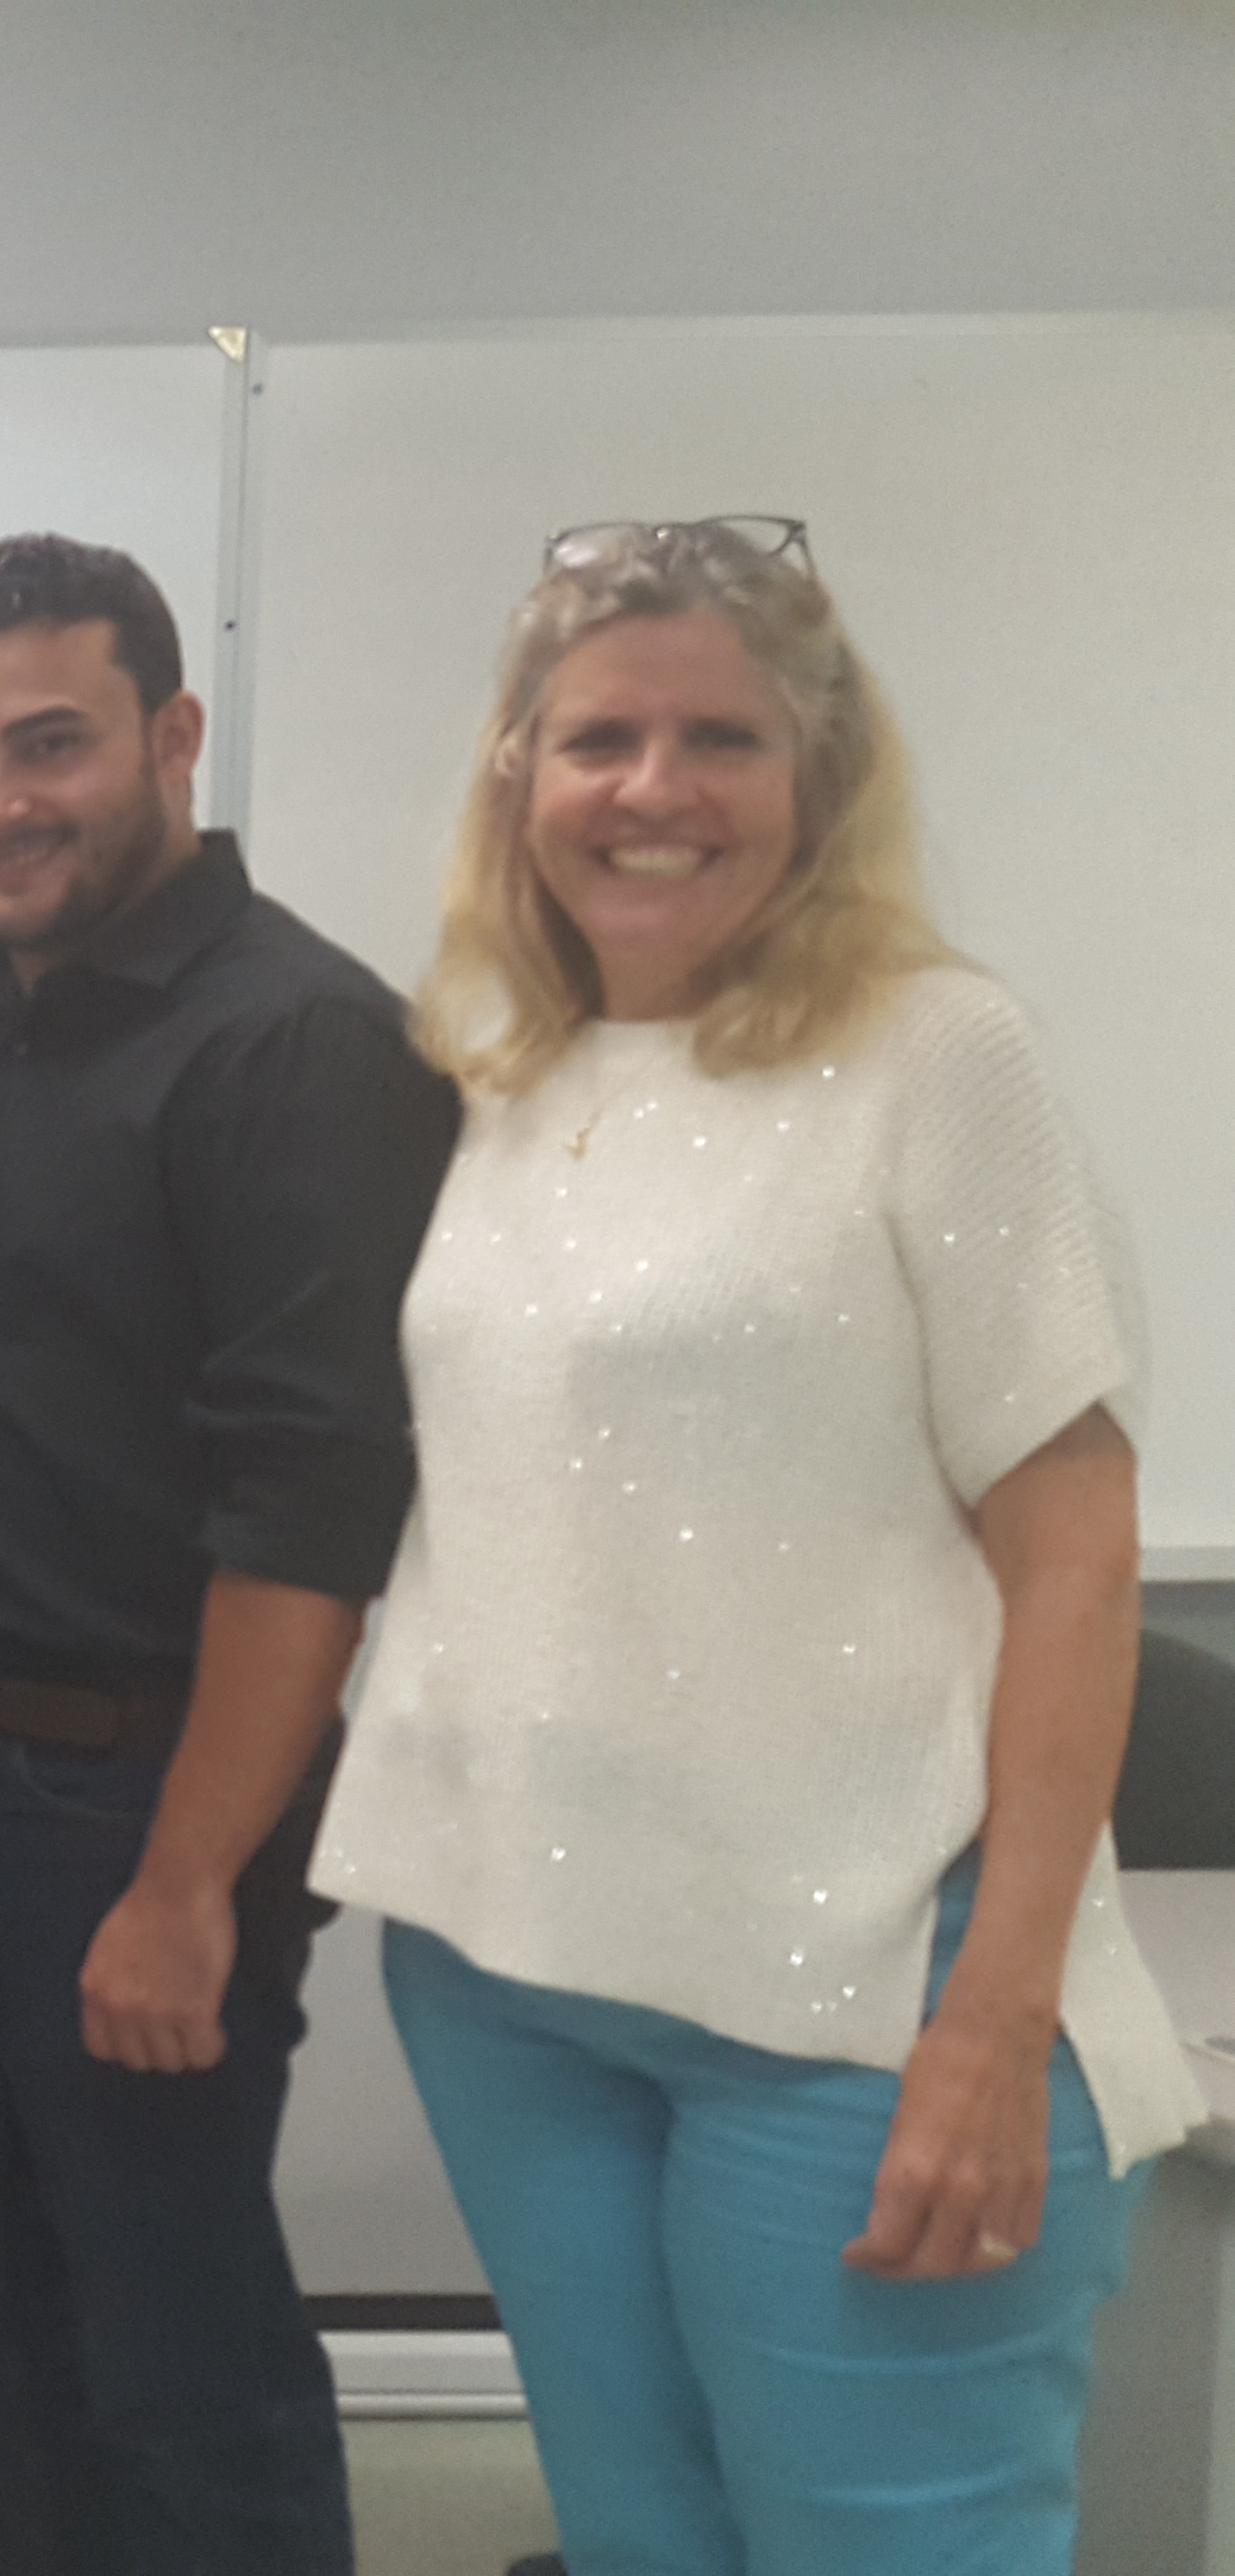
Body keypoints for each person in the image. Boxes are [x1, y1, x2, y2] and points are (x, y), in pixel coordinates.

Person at [310, 516, 1201, 2575]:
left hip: (862, 1988)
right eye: (597, 739)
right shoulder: (497, 1073)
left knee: (892, 2543)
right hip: (511, 1970)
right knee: (642, 2538)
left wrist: (989, 2033)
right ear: (517, 778)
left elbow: (1072, 1561)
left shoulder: (933, 1057)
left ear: (817, 776)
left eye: (717, 738)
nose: (650, 792)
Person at [0, 533, 458, 2576]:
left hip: (127, 1802)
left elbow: (310, 1505)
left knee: (180, 2370)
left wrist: (189, 1884)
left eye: (46, 746)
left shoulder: (294, 1045)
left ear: (171, 735)